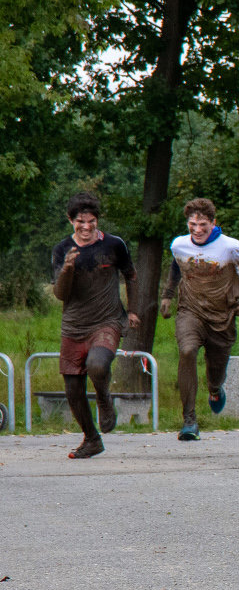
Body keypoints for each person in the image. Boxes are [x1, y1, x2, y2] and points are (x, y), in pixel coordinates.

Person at [162, 198, 239, 441]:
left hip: (222, 316)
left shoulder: (230, 247)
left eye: (203, 225)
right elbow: (177, 264)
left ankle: (215, 389)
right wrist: (168, 295)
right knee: (187, 351)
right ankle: (189, 421)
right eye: (193, 224)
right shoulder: (179, 244)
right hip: (190, 311)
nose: (197, 230)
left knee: (216, 370)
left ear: (213, 223)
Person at [49, 191, 138, 460]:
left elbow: (131, 275)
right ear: (70, 220)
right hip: (74, 326)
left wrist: (133, 310)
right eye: (80, 221)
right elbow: (61, 294)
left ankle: (103, 397)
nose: (86, 227)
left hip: (107, 321)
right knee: (73, 389)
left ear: (98, 220)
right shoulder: (62, 250)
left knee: (98, 365)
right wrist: (67, 269)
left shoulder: (114, 244)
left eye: (91, 221)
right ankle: (92, 439)